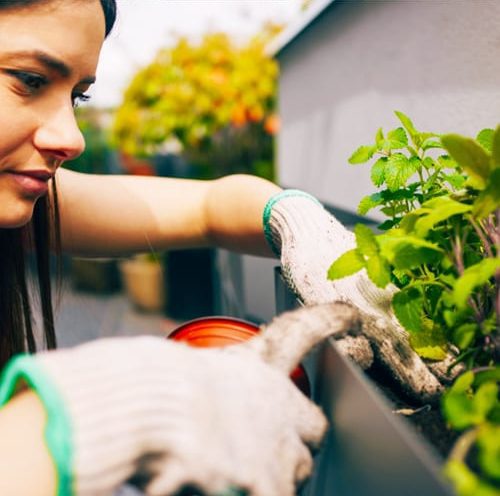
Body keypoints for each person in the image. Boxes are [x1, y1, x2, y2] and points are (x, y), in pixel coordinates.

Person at [0, 1, 447, 495]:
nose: (71, 137)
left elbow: (210, 206)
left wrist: (296, 221)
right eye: (30, 79)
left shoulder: (30, 203)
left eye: (78, 97)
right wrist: (109, 410)